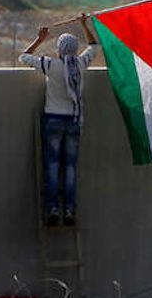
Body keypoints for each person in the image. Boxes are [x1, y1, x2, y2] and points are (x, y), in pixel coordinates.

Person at [21, 13, 98, 227]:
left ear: (59, 50)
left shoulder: (51, 65)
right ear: (74, 49)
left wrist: (39, 40)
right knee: (70, 168)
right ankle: (69, 210)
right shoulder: (80, 64)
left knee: (53, 166)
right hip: (73, 121)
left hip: (53, 120)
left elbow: (24, 57)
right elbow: (94, 47)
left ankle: (53, 208)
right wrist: (84, 25)